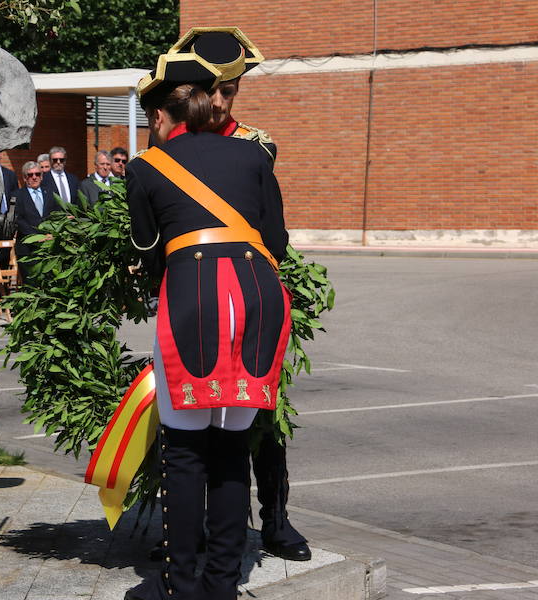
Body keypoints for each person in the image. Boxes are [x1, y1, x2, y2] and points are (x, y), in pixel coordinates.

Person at [124, 49, 291, 600]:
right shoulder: (253, 157)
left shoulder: (147, 166)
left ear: (162, 116)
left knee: (186, 450)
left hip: (191, 302)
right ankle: (223, 584)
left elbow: (148, 252)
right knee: (232, 444)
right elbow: (278, 243)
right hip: (258, 301)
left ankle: (182, 583)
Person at [169, 27, 310, 562]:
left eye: (230, 91)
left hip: (253, 291)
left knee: (262, 414)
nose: (223, 100)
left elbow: (269, 223)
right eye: (214, 90)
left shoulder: (255, 143)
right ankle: (184, 531)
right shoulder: (170, 139)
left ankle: (274, 519)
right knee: (184, 412)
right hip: (195, 292)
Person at [14, 161, 56, 283]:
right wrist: (37, 237)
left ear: (42, 176)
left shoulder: (50, 193)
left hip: (49, 246)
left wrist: (52, 233)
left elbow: (56, 213)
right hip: (27, 249)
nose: (34, 177)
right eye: (30, 175)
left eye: (37, 174)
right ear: (24, 177)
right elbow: (19, 219)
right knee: (31, 284)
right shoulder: (17, 195)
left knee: (49, 283)